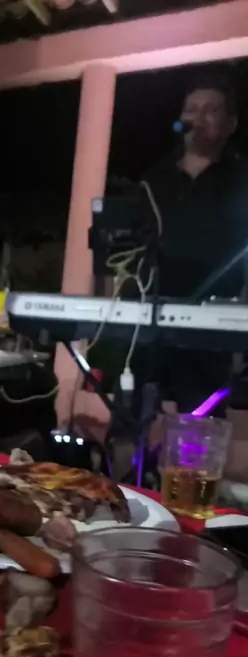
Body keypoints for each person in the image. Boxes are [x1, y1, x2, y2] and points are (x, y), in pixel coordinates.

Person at [136, 70, 248, 412]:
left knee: (200, 426)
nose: (198, 118)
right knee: (131, 416)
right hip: (149, 322)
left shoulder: (242, 180)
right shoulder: (153, 181)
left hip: (211, 330)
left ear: (230, 125)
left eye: (211, 110)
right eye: (191, 109)